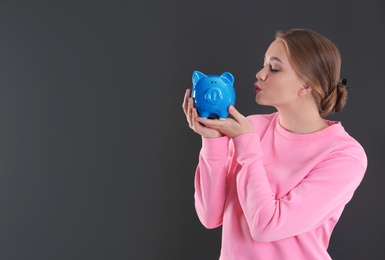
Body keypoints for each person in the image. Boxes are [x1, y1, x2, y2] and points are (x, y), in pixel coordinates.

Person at [182, 28, 367, 260]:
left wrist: (245, 146)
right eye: (263, 64)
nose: (260, 74)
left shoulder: (344, 156)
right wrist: (212, 141)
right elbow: (210, 216)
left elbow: (266, 226)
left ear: (306, 86)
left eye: (274, 68)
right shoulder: (252, 128)